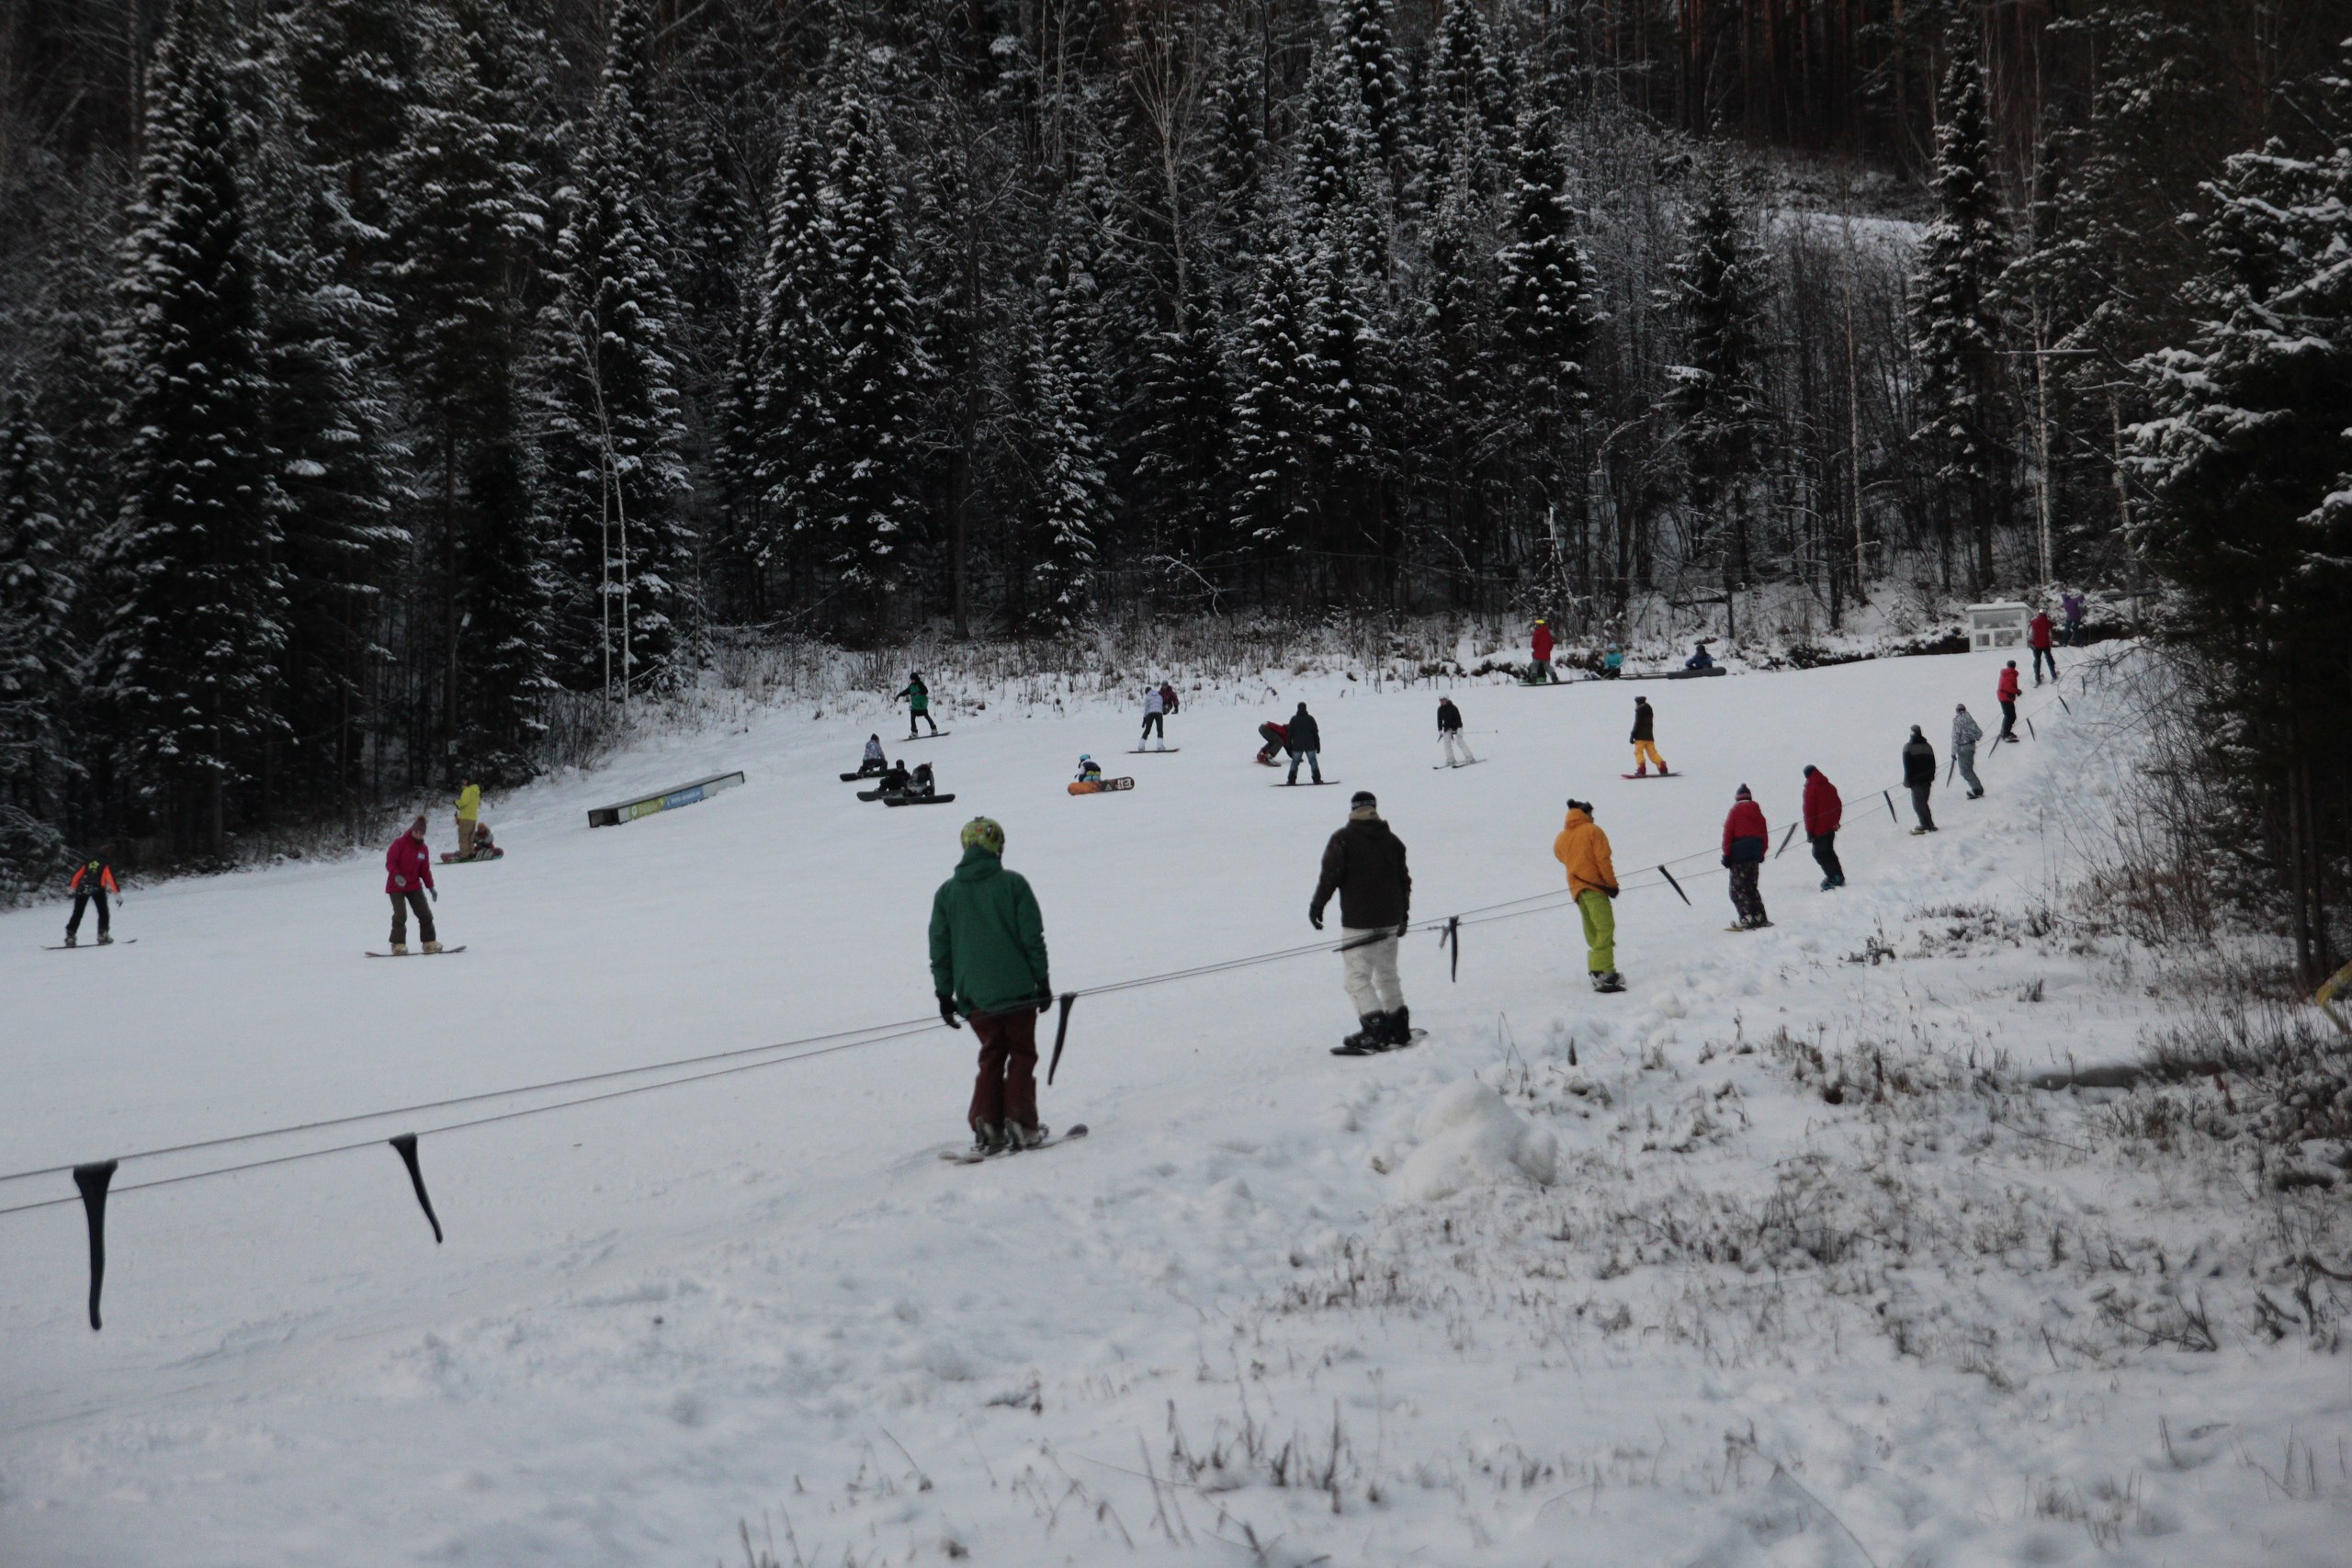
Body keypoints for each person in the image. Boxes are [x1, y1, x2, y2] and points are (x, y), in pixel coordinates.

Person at [929, 817, 1054, 1155]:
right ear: (997, 847)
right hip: (1018, 992)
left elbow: (940, 949)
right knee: (1022, 1054)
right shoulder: (1013, 885)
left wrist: (944, 994)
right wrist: (1042, 980)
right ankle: (1020, 1122)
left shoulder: (946, 894)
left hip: (975, 997)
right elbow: (1032, 938)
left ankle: (988, 1125)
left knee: (992, 1056)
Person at [1309, 790, 1412, 1054]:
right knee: (1387, 973)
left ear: (1353, 810)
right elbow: (1404, 882)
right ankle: (1398, 1024)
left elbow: (1330, 876)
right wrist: (1403, 914)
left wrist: (1317, 906)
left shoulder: (1343, 840)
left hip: (1359, 921)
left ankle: (1375, 1028)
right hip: (1390, 918)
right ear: (1374, 809)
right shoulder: (1392, 841)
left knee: (1357, 977)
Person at [1553, 800, 1623, 993]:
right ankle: (1605, 972)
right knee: (1605, 926)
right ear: (1585, 815)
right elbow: (1603, 859)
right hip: (1595, 886)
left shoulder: (1562, 837)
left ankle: (1595, 968)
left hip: (1576, 889)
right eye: (1591, 814)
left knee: (1592, 929)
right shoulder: (1593, 831)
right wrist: (1611, 884)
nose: (1593, 818)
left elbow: (1559, 855)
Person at [385, 816, 440, 954]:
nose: (418, 835)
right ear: (412, 830)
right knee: (400, 915)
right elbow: (390, 862)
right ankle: (397, 944)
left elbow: (424, 870)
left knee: (425, 914)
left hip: (414, 886)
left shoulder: (423, 849)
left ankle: (429, 942)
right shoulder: (399, 844)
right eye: (416, 832)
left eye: (421, 833)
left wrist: (431, 887)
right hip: (396, 885)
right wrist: (397, 875)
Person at [1721, 784, 1770, 930]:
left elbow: (1728, 834)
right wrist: (1761, 853)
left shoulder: (1735, 811)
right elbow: (1764, 835)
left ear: (1737, 798)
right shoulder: (1758, 812)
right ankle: (1759, 916)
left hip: (1739, 854)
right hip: (1754, 854)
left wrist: (1726, 855)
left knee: (1737, 889)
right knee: (1751, 886)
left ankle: (1746, 917)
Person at [63, 846, 119, 947]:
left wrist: (73, 886)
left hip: (83, 886)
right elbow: (110, 877)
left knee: (78, 913)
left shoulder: (89, 860)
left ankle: (70, 936)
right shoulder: (105, 862)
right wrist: (117, 893)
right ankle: (102, 935)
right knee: (103, 912)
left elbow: (78, 873)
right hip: (97, 887)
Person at [1802, 766, 1844, 890]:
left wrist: (1809, 831)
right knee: (1829, 851)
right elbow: (1838, 805)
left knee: (1819, 853)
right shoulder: (1830, 786)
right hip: (1830, 827)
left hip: (1818, 829)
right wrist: (1835, 822)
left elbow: (1809, 812)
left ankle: (1833, 877)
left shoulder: (1811, 789)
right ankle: (1838, 876)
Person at [1902, 727, 1939, 834]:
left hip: (1916, 780)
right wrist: (1931, 776)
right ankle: (1929, 824)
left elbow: (1907, 766)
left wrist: (1907, 780)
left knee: (1918, 804)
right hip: (1927, 779)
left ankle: (1925, 824)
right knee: (1923, 803)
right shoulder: (1927, 746)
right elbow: (1933, 763)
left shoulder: (1908, 747)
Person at [1284, 702, 1324, 785]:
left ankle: (1291, 780)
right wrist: (1318, 745)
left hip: (1297, 746)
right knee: (1313, 761)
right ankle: (1316, 779)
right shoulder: (1310, 719)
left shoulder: (1294, 719)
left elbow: (1289, 734)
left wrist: (1289, 746)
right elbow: (1315, 733)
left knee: (1295, 762)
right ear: (1305, 708)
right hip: (1310, 745)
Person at [1951, 704, 1985, 799]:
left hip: (1963, 749)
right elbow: (1979, 733)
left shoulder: (1957, 721)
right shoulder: (1969, 718)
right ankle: (1976, 788)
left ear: (1957, 711)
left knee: (1965, 771)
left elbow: (1955, 737)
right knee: (1968, 769)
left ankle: (1977, 789)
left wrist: (1953, 752)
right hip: (1971, 748)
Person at [1629, 696, 1668, 776]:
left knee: (1638, 752)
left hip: (1640, 737)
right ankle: (1662, 766)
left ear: (1638, 703)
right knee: (1652, 753)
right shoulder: (1649, 710)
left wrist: (1632, 734)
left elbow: (1637, 723)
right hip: (1649, 737)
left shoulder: (1639, 711)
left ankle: (1641, 768)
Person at [1436, 695, 1476, 767]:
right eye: (1440, 700)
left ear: (1447, 700)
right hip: (1447, 728)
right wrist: (1440, 730)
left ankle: (1470, 757)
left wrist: (1459, 729)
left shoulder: (1453, 708)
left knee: (1459, 741)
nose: (1442, 702)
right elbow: (1439, 720)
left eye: (1443, 700)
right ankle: (1450, 759)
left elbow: (1459, 719)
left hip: (1457, 726)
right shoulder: (1440, 709)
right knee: (1446, 742)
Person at [899, 671, 939, 737]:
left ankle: (934, 729)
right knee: (912, 718)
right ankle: (914, 731)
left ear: (916, 679)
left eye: (913, 679)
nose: (912, 681)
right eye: (911, 679)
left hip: (922, 705)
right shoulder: (911, 686)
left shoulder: (920, 684)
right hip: (915, 706)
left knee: (927, 716)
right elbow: (906, 692)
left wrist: (919, 692)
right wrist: (899, 695)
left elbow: (925, 691)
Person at [454, 778, 482, 861]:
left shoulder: (467, 790)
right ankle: (471, 853)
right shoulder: (476, 791)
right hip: (473, 818)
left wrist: (456, 802)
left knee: (463, 837)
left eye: (465, 781)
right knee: (470, 837)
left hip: (465, 817)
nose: (463, 783)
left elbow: (464, 802)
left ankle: (464, 855)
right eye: (462, 781)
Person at [2029, 609, 2058, 685]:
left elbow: (2031, 633)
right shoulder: (2047, 623)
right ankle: (2053, 675)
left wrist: (2031, 643)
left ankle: (2037, 679)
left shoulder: (2033, 622)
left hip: (2036, 645)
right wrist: (2050, 641)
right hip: (2046, 645)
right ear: (2045, 615)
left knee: (2037, 661)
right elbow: (2050, 634)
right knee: (2049, 659)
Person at [1996, 660, 2022, 742]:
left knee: (2010, 715)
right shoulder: (2010, 674)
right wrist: (2017, 691)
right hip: (2006, 698)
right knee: (2010, 716)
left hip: (2004, 697)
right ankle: (2005, 734)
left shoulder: (2007, 673)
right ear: (2014, 666)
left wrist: (2016, 691)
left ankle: (2005, 731)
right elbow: (2008, 687)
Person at [1529, 618, 1556, 684]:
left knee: (1534, 666)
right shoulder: (1548, 633)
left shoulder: (1537, 632)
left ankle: (1534, 677)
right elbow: (1551, 644)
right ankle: (1553, 674)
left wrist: (1536, 649)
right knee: (1547, 667)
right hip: (1546, 654)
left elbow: (1533, 644)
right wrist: (1547, 650)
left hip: (1537, 654)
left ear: (1539, 625)